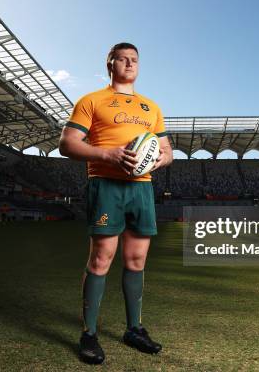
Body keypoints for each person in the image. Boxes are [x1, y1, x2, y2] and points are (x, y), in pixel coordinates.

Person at [59, 42, 173, 364]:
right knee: (101, 260)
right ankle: (89, 334)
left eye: (134, 59)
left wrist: (156, 161)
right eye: (121, 59)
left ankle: (134, 329)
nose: (129, 63)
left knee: (136, 260)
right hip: (106, 185)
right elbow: (67, 144)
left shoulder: (152, 108)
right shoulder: (92, 101)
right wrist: (107, 154)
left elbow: (167, 153)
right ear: (110, 64)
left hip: (141, 188)